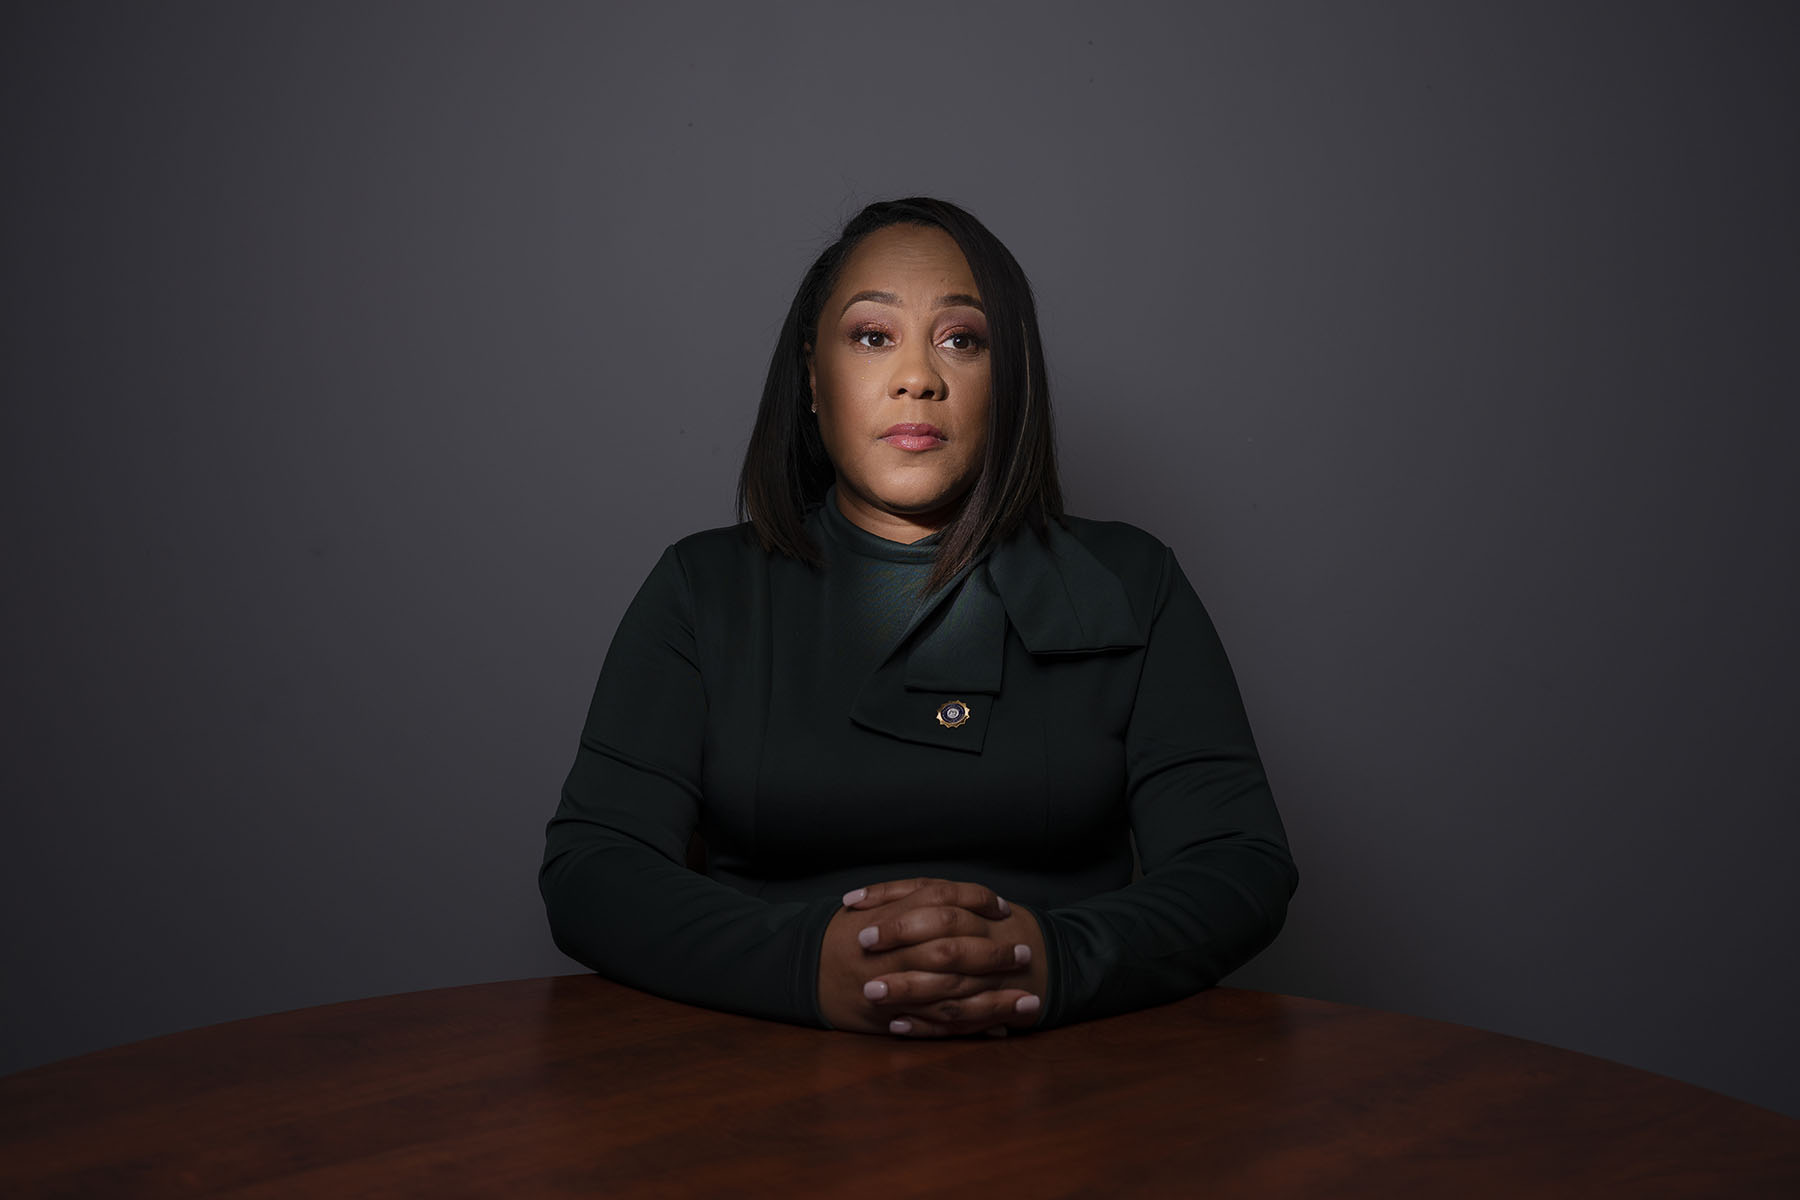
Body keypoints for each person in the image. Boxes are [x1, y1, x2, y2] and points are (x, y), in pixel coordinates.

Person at [540, 197, 1297, 1039]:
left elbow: (1241, 865)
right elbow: (590, 871)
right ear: (812, 377)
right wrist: (805, 965)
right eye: (872, 336)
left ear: (1008, 380)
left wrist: (1053, 959)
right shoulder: (703, 587)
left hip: (1074, 1071)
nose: (917, 378)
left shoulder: (1131, 579)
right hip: (763, 1061)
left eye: (961, 340)